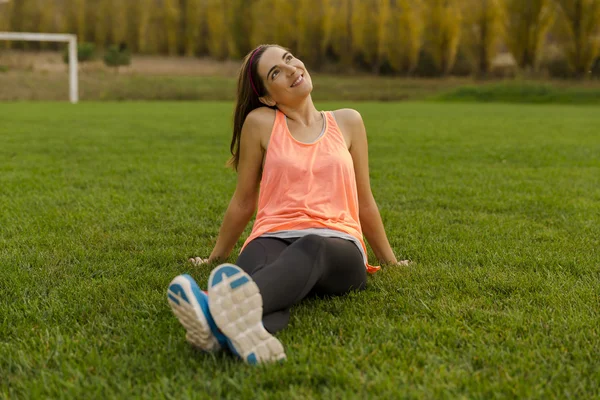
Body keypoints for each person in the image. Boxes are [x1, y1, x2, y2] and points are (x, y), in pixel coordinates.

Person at [166, 44, 409, 365]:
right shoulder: (259, 123)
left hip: (337, 246)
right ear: (268, 96)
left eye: (289, 58)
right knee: (261, 278)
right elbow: (243, 200)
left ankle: (211, 309)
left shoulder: (348, 121)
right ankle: (229, 332)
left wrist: (389, 260)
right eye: (276, 72)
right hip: (271, 236)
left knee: (311, 247)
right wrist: (215, 257)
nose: (292, 69)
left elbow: (365, 200)